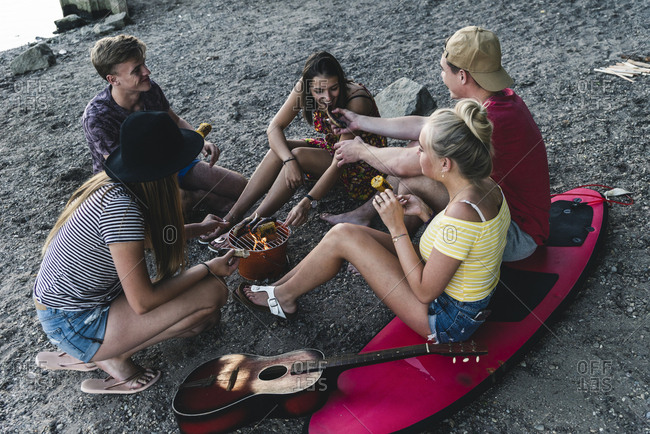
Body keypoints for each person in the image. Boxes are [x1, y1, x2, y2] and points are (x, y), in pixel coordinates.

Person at [236, 99, 510, 344]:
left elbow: (425, 291)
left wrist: (397, 227)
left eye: (423, 151)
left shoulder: (461, 212)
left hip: (447, 320)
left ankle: (282, 296)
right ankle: (281, 290)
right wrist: (425, 214)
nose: (417, 154)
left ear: (446, 164)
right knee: (342, 234)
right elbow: (467, 243)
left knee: (345, 237)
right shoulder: (485, 186)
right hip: (453, 293)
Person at [33, 112, 239, 394]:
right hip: (74, 320)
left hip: (83, 303)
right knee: (212, 292)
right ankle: (108, 355)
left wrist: (196, 228)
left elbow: (146, 238)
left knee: (204, 320)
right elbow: (143, 301)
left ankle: (104, 350)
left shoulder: (122, 189)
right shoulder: (123, 211)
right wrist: (208, 268)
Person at [324, 26, 550, 262]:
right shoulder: (495, 100)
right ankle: (370, 219)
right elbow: (425, 126)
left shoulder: (493, 119)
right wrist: (360, 122)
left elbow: (405, 164)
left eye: (443, 70)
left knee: (417, 176)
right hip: (506, 211)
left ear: (462, 76)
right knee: (419, 145)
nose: (441, 76)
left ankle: (396, 253)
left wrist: (362, 150)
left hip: (517, 236)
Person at [206, 51, 386, 248]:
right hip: (332, 148)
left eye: (334, 88)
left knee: (298, 155)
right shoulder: (304, 89)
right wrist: (288, 161)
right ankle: (232, 217)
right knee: (281, 150)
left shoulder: (356, 100)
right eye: (319, 91)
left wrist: (307, 201)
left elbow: (340, 160)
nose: (327, 97)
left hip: (363, 166)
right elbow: (274, 128)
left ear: (341, 82)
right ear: (309, 87)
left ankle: (248, 225)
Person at [82, 34, 247, 221]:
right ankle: (201, 197)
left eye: (144, 63)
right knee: (181, 202)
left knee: (239, 185)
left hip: (167, 161)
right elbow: (126, 170)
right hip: (128, 181)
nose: (147, 72)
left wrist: (199, 140)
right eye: (137, 70)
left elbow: (175, 121)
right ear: (113, 80)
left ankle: (189, 193)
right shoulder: (97, 117)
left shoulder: (148, 88)